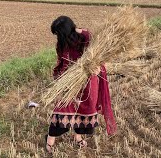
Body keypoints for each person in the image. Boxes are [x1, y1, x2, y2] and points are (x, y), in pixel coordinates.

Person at [45, 16, 117, 154]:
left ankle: (78, 137)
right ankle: (50, 139)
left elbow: (96, 53)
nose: (57, 37)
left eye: (58, 34)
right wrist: (59, 78)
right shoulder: (61, 44)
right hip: (68, 83)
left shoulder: (84, 38)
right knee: (62, 111)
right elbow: (61, 61)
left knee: (85, 112)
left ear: (66, 30)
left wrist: (96, 67)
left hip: (88, 83)